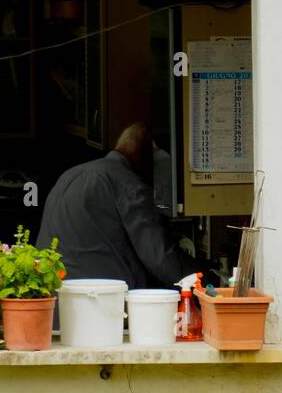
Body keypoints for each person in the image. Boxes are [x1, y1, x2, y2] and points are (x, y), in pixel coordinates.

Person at [36, 122, 194, 288]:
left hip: (53, 292)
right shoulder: (129, 185)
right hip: (100, 298)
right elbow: (159, 257)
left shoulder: (70, 174)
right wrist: (202, 279)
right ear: (144, 156)